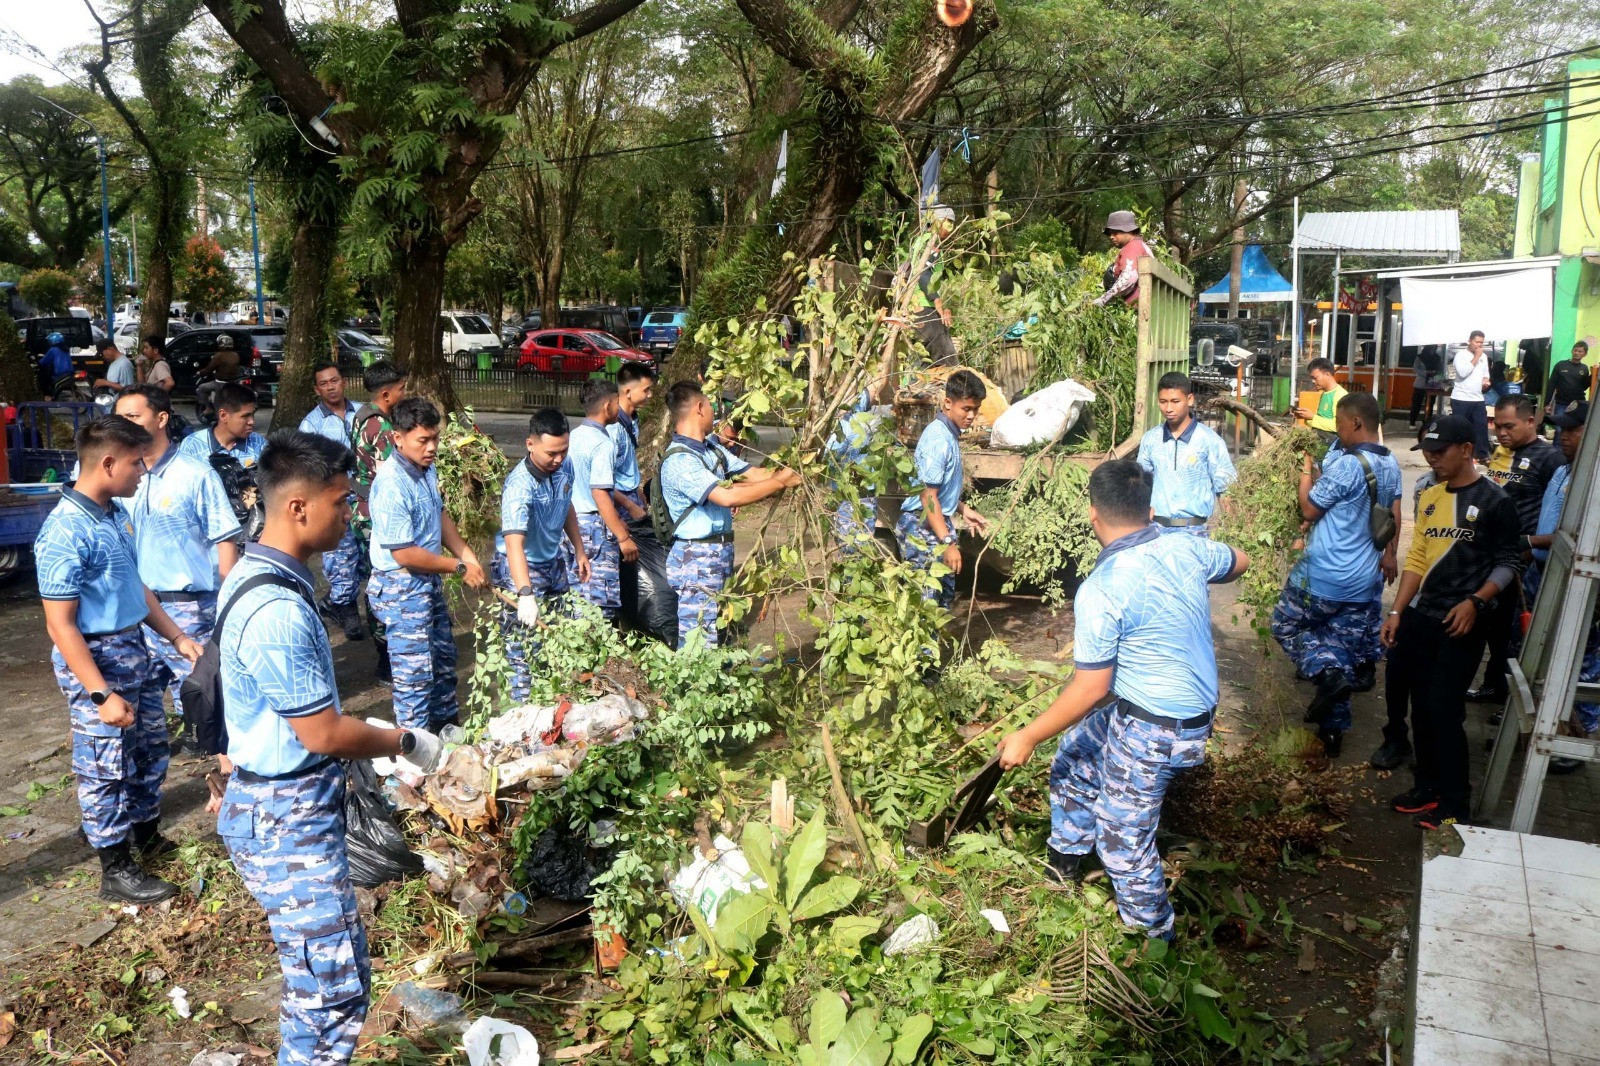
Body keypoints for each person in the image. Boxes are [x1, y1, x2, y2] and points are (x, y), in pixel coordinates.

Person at [214, 430, 446, 1066]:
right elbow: (320, 733)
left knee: (325, 979)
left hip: (287, 806)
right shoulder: (277, 608)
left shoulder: (257, 575)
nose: (351, 514)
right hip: (286, 819)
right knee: (331, 991)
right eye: (342, 502)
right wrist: (403, 740)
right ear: (298, 507)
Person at [996, 460, 1249, 941]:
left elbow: (1091, 687)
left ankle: (1157, 943)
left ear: (1093, 515)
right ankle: (1066, 859)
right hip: (1176, 712)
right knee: (1076, 751)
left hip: (1158, 729)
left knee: (1122, 842)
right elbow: (1241, 561)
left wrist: (1026, 736)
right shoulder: (1184, 546)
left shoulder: (1102, 589)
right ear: (1150, 509)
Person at [35, 416, 204, 904]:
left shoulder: (113, 514)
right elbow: (61, 625)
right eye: (135, 463)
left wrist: (175, 636)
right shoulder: (65, 532)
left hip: (134, 648)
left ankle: (146, 835)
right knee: (104, 764)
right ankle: (115, 866)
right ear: (107, 463)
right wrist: (99, 693)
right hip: (96, 658)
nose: (141, 473)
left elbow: (136, 586)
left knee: (150, 748)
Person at [1381, 414, 1521, 828]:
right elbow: (1419, 559)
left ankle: (1456, 802)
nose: (1432, 458)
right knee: (1420, 707)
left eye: (1440, 451)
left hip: (1463, 622)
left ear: (1466, 450)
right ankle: (1427, 787)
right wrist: (1396, 611)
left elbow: (1509, 563)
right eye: (1427, 451)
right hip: (1421, 617)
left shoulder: (1496, 502)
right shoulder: (1429, 496)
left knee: (1444, 709)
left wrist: (1477, 601)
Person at [1266, 393, 1402, 759]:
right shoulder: (1391, 464)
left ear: (1356, 423)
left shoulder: (1347, 465)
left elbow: (1309, 507)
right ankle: (1332, 734)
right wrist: (1390, 555)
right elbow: (1388, 515)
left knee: (1285, 627)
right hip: (1361, 582)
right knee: (1340, 652)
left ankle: (1324, 675)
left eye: (1339, 424)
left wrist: (1307, 467)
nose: (1336, 431)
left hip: (1323, 575)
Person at [112, 386, 242, 729]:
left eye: (132, 416)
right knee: (143, 697)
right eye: (119, 416)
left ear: (161, 418)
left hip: (187, 607)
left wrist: (229, 600)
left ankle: (222, 759)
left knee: (204, 697)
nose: (123, 423)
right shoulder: (120, 476)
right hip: (134, 606)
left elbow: (225, 537)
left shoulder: (195, 474)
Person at [366, 397, 487, 732]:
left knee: (445, 662)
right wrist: (457, 568)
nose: (432, 447)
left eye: (435, 438)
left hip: (427, 581)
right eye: (423, 440)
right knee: (414, 678)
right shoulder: (391, 484)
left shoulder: (425, 467)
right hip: (401, 588)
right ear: (398, 438)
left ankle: (447, 735)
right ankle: (415, 755)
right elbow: (403, 553)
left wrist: (465, 552)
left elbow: (439, 512)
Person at [659, 381, 800, 648]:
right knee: (698, 639)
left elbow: (755, 474)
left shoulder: (711, 449)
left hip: (718, 554)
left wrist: (793, 469)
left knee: (717, 631)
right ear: (699, 408)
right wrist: (781, 482)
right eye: (711, 405)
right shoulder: (680, 460)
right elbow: (727, 496)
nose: (714, 411)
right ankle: (692, 688)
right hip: (695, 558)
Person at [1469, 394, 1567, 703]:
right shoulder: (1500, 452)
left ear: (1531, 421)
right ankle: (1494, 686)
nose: (1501, 433)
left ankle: (1513, 701)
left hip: (1525, 561)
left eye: (1509, 426)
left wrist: (1530, 547)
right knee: (1494, 629)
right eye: (1497, 426)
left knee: (1516, 632)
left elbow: (1558, 509)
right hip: (1492, 555)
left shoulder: (1550, 458)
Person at [493, 408, 588, 701]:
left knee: (558, 636)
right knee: (522, 647)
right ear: (530, 444)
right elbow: (513, 545)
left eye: (563, 450)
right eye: (551, 453)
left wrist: (579, 550)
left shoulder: (565, 466)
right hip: (520, 569)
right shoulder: (519, 486)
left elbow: (567, 504)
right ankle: (522, 711)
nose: (558, 459)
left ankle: (553, 703)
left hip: (553, 561)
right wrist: (524, 593)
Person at [1526, 402, 1591, 773]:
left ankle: (1574, 744)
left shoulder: (1592, 479)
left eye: (1573, 430)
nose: (1562, 435)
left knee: (1577, 664)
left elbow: (1578, 536)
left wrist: (1531, 541)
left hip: (1571, 581)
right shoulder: (1564, 468)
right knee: (1544, 656)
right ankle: (1546, 727)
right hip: (1543, 574)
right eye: (1561, 429)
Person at [895, 370, 991, 609]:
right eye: (966, 409)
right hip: (922, 527)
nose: (971, 416)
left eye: (975, 409)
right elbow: (927, 497)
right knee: (926, 607)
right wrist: (948, 542)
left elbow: (936, 490)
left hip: (935, 523)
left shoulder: (949, 435)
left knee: (942, 602)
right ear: (948, 403)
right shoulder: (938, 439)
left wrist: (961, 508)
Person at [298, 361, 366, 640]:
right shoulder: (311, 424)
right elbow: (309, 469)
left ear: (344, 382)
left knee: (368, 559)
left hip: (367, 499)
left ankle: (345, 604)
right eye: (324, 383)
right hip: (336, 503)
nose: (331, 387)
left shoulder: (363, 413)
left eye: (334, 381)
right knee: (341, 560)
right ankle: (343, 606)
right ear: (317, 389)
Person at [350, 361, 408, 682]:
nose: (405, 393)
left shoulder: (361, 416)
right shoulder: (382, 430)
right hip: (376, 514)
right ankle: (386, 656)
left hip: (362, 506)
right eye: (402, 389)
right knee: (383, 580)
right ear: (386, 394)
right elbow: (394, 475)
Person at [1135, 372, 1236, 535]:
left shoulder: (1209, 441)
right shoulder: (1150, 439)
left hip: (1195, 531)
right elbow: (1141, 483)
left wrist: (1233, 532)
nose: (1168, 408)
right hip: (1156, 531)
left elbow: (1226, 490)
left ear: (1190, 399)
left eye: (1175, 401)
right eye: (1163, 402)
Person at [568, 380, 633, 620]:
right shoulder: (603, 443)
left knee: (577, 590)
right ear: (607, 406)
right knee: (598, 596)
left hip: (572, 523)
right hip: (594, 527)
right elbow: (600, 493)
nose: (619, 407)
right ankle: (596, 648)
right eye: (617, 402)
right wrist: (623, 537)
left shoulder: (574, 436)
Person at [907, 205, 958, 364]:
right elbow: (923, 273)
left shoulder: (921, 240)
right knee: (948, 362)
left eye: (952, 224)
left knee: (926, 364)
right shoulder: (931, 242)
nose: (950, 228)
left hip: (916, 310)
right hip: (925, 309)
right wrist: (938, 304)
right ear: (936, 222)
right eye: (948, 222)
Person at [179, 382, 268, 468]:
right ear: (223, 415)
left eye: (252, 414)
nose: (251, 421)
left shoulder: (258, 443)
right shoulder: (193, 446)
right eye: (245, 416)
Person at [1448, 330, 1492, 461]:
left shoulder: (1483, 356)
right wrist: (1476, 357)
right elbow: (1462, 372)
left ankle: (1482, 455)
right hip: (1461, 398)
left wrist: (1485, 381)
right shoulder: (1460, 355)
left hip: (1477, 398)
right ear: (1470, 341)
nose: (1479, 345)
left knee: (1481, 426)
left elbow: (1486, 373)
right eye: (1477, 342)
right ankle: (1456, 454)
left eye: (1481, 343)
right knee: (1460, 428)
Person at [1093, 210, 1153, 307]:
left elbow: (1128, 278)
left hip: (1137, 310)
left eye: (1115, 232)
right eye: (1110, 233)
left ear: (1128, 230)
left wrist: (1103, 299)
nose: (1111, 237)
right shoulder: (1140, 245)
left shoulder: (1132, 247)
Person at [1291, 358, 1347, 443]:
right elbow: (1320, 421)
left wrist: (1312, 417)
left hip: (1332, 448)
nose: (1313, 381)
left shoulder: (1340, 395)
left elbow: (1338, 426)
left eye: (1315, 378)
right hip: (1321, 443)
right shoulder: (1324, 393)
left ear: (1327, 375)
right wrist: (1306, 417)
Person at [1544, 340, 1593, 436]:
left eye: (1580, 351)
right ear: (1572, 351)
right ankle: (1557, 450)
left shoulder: (1584, 368)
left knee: (1575, 431)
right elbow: (1551, 384)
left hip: (1577, 405)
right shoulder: (1560, 365)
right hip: (1562, 404)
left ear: (1585, 354)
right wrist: (1546, 403)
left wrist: (1592, 377)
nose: (1576, 353)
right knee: (1559, 430)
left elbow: (1583, 386)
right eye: (1575, 350)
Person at [194, 334, 243, 416]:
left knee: (201, 388)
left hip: (220, 383)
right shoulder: (235, 355)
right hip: (233, 382)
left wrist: (201, 372)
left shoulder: (219, 355)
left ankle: (208, 408)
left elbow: (209, 368)